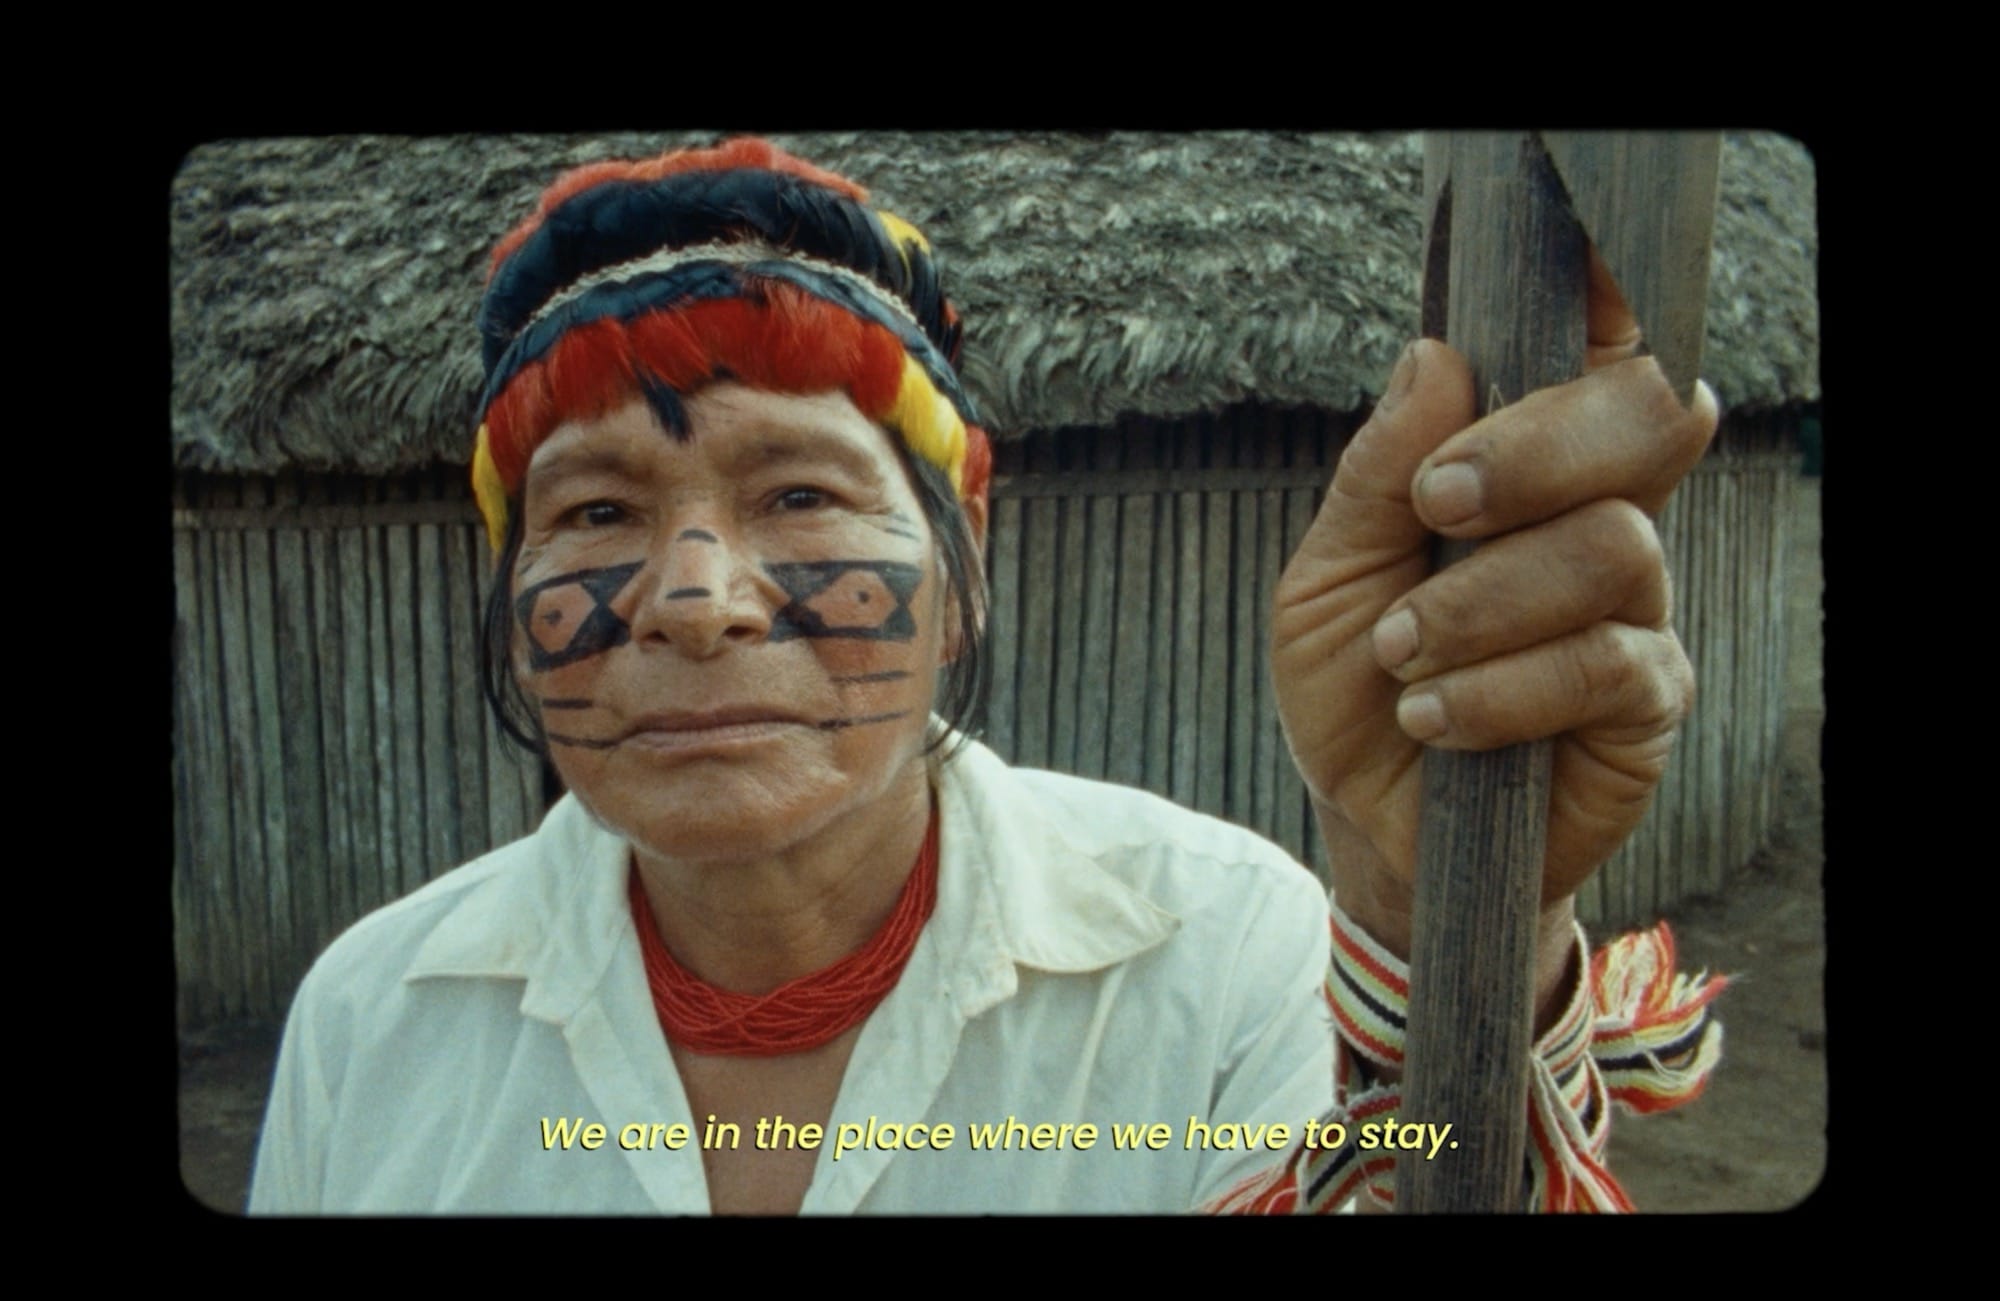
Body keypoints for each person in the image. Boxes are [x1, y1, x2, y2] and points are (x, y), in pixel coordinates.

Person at [248, 138, 1724, 1215]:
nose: (695, 601)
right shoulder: (372, 1021)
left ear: (964, 572)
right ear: (513, 605)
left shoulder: (1227, 963)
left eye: (802, 496)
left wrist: (1435, 922)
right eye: (592, 514)